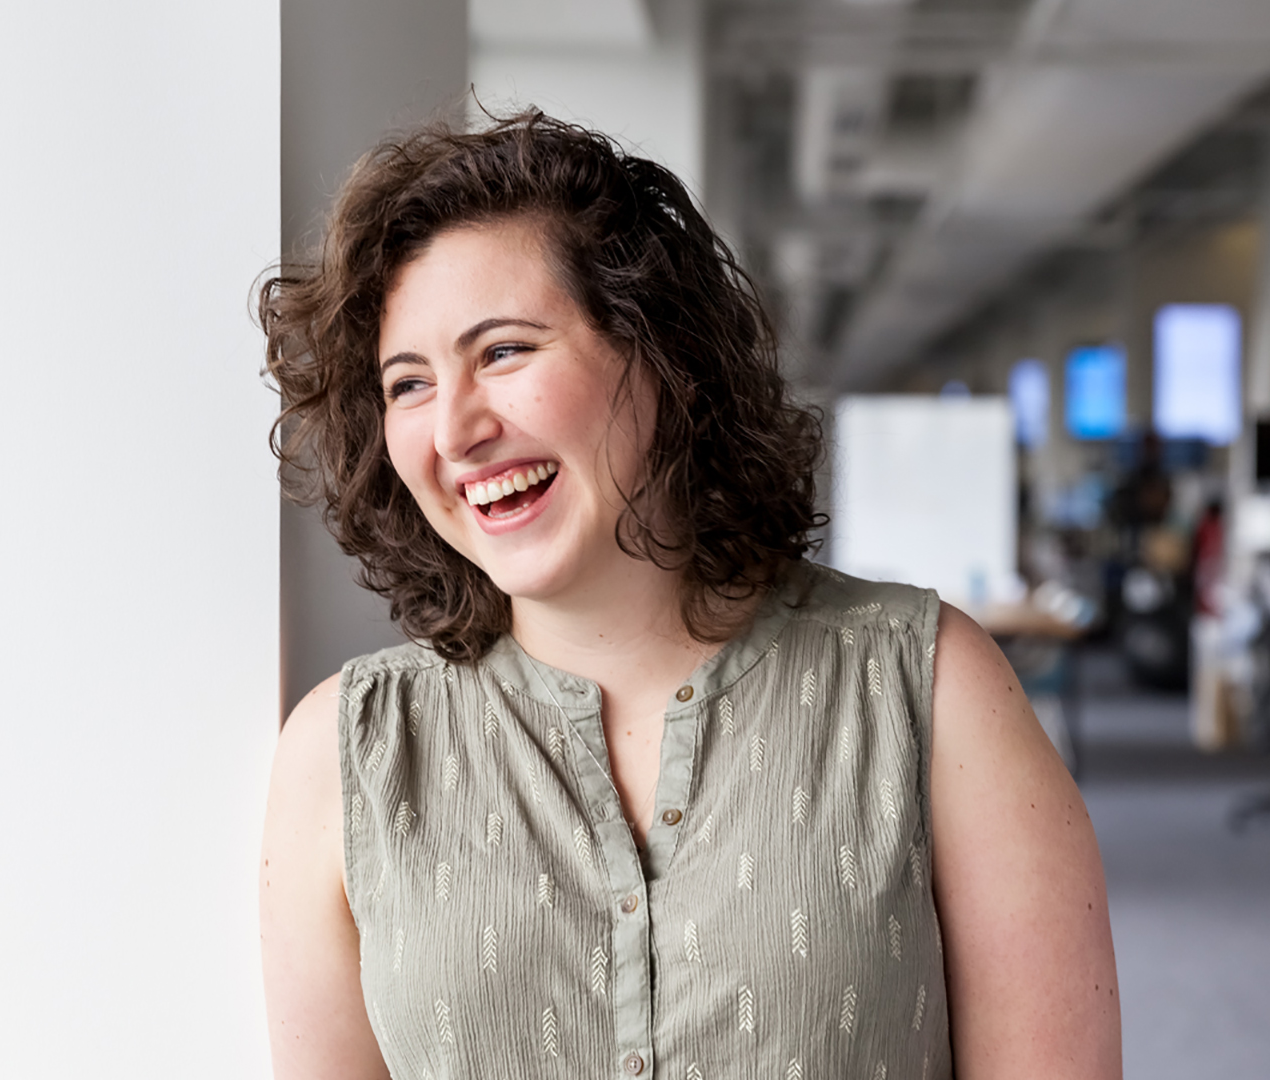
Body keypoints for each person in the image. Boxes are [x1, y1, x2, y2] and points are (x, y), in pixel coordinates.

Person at [257, 110, 1120, 1079]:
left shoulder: (930, 689)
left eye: (503, 352)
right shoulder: (348, 758)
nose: (454, 430)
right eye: (407, 384)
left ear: (662, 359)